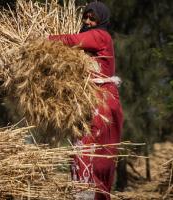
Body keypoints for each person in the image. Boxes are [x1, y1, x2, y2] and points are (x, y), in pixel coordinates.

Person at [48, 2, 123, 200]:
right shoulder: (90, 38)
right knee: (83, 150)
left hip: (101, 101)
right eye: (86, 17)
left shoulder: (100, 36)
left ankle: (88, 196)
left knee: (91, 152)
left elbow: (71, 39)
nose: (88, 22)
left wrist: (44, 39)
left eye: (93, 18)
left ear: (101, 20)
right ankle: (83, 195)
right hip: (91, 99)